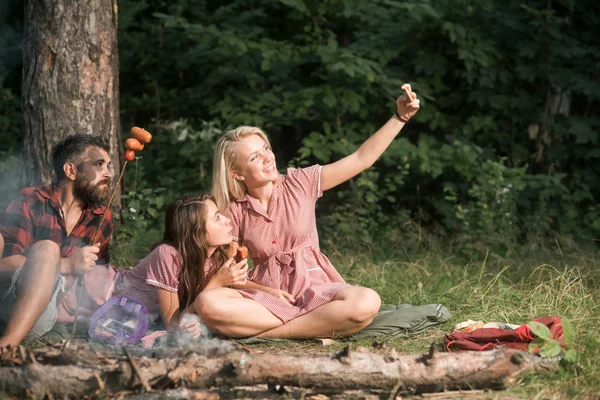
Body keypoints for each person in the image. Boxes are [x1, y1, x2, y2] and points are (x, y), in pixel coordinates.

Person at [202, 84, 420, 339]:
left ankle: (268, 335)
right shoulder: (233, 211)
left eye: (266, 149)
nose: (267, 157)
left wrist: (400, 117)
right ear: (237, 174)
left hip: (315, 288)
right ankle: (311, 326)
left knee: (367, 301)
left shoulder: (300, 182)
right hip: (266, 298)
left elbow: (361, 158)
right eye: (254, 157)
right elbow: (233, 272)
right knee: (209, 304)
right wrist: (269, 292)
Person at [0, 134, 114, 349]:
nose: (108, 173)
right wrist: (65, 264)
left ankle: (7, 345)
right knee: (47, 248)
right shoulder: (31, 200)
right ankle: (7, 346)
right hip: (7, 297)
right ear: (71, 170)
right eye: (99, 164)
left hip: (45, 313)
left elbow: (97, 277)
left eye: (108, 165)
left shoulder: (102, 217)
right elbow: (3, 263)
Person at [110, 194, 271, 338]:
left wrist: (271, 293)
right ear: (197, 232)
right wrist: (217, 282)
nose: (227, 220)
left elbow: (234, 283)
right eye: (217, 218)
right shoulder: (167, 255)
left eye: (221, 215)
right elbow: (172, 325)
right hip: (108, 298)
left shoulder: (213, 257)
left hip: (141, 315)